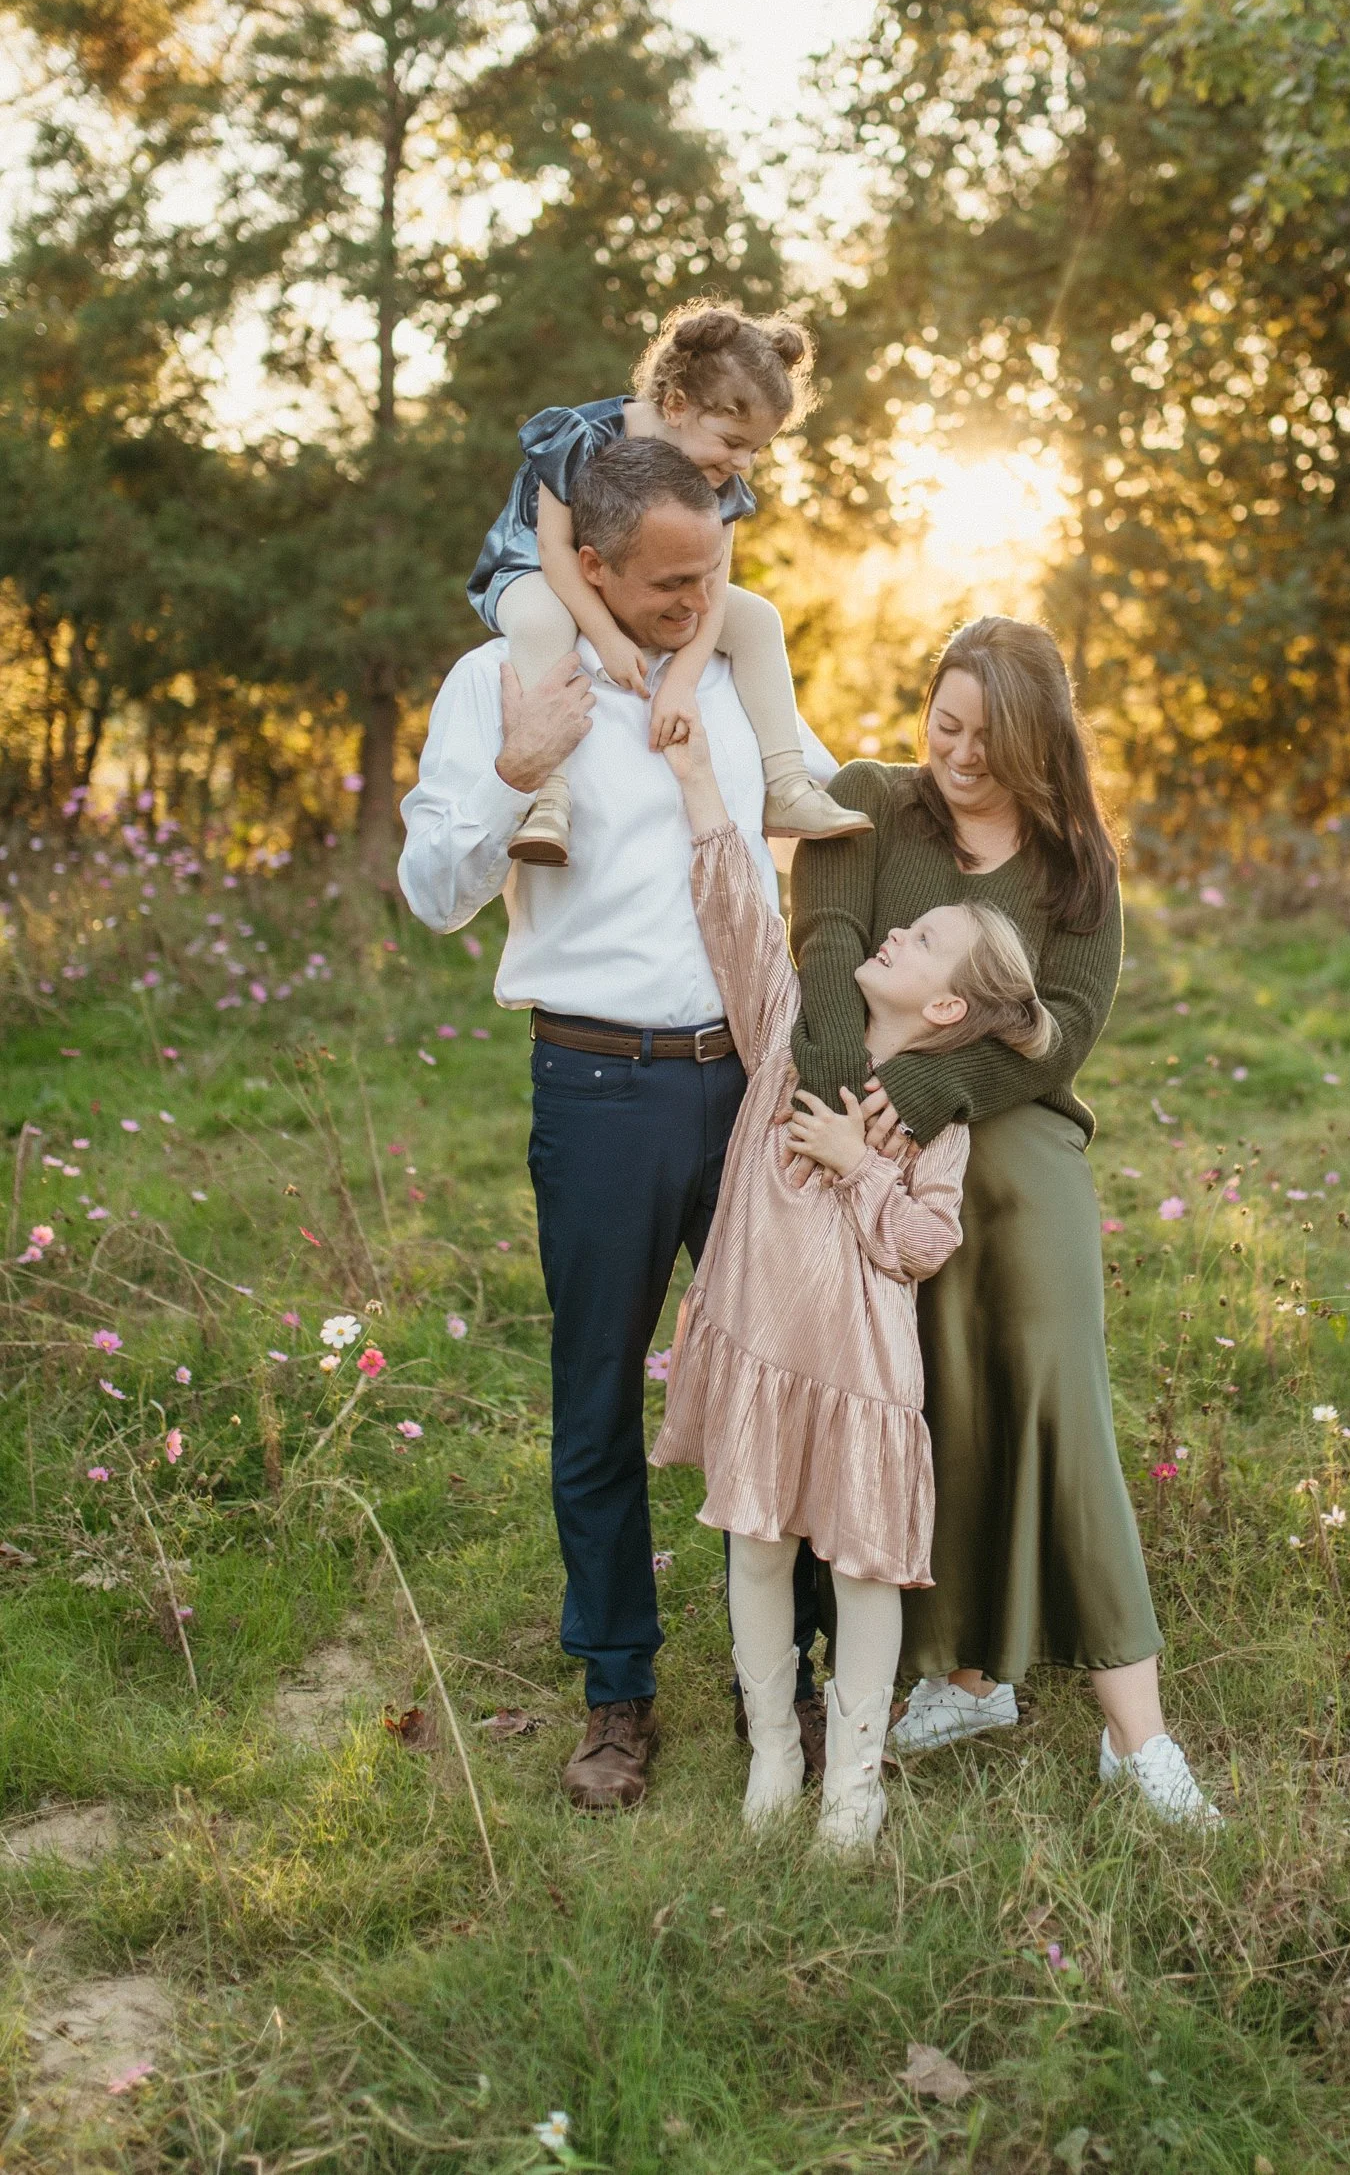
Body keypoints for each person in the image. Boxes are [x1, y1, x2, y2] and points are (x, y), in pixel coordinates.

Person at [400, 435, 831, 1811]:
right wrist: (508, 769)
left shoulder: (727, 660)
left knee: (788, 1378)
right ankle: (615, 1695)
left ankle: (801, 1680)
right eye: (664, 582)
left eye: (711, 571)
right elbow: (429, 889)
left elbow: (813, 815)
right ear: (583, 566)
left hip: (750, 1084)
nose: (694, 598)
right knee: (594, 1400)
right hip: (594, 1089)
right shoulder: (499, 681)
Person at [790, 617, 1219, 1827]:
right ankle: (968, 1678)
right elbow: (823, 947)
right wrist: (850, 1100)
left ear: (1041, 742)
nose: (961, 753)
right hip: (858, 1143)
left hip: (1014, 1139)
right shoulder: (866, 801)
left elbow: (1064, 1029)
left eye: (990, 736)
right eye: (947, 720)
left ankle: (1137, 1742)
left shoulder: (1075, 864)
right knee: (925, 1397)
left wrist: (932, 1090)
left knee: (1045, 1383)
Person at [649, 705, 1057, 1850]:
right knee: (760, 1548)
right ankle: (774, 1753)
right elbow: (739, 920)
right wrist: (695, 781)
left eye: (919, 940)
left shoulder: (931, 1120)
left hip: (863, 1380)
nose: (890, 934)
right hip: (763, 1345)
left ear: (941, 1008)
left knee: (867, 1575)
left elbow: (926, 1244)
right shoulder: (792, 1033)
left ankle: (854, 1783)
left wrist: (853, 1168)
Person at [466, 300, 870, 865]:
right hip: (534, 567)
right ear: (676, 404)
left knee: (757, 617)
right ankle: (549, 801)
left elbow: (712, 591)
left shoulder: (716, 476)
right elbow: (553, 551)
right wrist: (606, 638)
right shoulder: (581, 437)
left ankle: (786, 782)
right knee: (541, 620)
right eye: (733, 442)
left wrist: (680, 681)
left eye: (756, 449)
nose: (745, 463)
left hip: (638, 581)